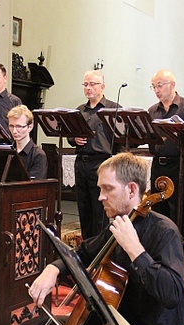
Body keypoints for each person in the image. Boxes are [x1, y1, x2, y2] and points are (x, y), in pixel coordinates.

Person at [22, 152, 184, 325]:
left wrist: (137, 251)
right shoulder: (119, 223)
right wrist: (53, 268)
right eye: (99, 189)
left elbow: (172, 293)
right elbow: (83, 253)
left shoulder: (164, 232)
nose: (100, 196)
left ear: (132, 190)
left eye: (107, 189)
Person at [147, 70, 184, 245]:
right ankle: (160, 253)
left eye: (160, 85)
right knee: (158, 213)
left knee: (178, 215)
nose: (156, 90)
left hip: (179, 167)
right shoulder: (152, 111)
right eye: (153, 87)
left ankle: (179, 255)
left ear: (172, 84)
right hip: (158, 166)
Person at [69, 70, 120, 239]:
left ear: (102, 86)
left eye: (92, 84)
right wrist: (74, 138)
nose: (88, 88)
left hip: (102, 163)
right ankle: (87, 248)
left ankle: (99, 250)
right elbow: (70, 135)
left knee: (100, 209)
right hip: (81, 162)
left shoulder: (113, 108)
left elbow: (120, 138)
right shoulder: (79, 111)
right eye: (85, 84)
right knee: (83, 208)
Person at [7, 105, 47, 179]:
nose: (14, 131)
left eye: (19, 126)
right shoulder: (7, 152)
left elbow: (34, 186)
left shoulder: (38, 155)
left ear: (30, 127)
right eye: (11, 126)